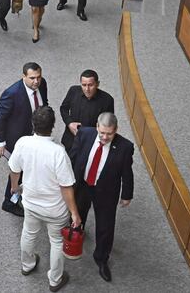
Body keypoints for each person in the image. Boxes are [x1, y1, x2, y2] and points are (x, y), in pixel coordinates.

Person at [9, 106, 80, 292]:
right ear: (53, 126)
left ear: (33, 125)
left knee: (28, 233)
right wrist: (74, 213)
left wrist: (14, 187)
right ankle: (55, 279)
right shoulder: (58, 152)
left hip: (31, 203)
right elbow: (66, 187)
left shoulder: (22, 142)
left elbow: (14, 169)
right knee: (56, 242)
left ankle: (27, 265)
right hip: (55, 210)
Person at [69, 113, 134, 283]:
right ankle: (76, 236)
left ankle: (101, 259)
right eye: (102, 132)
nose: (105, 137)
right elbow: (73, 157)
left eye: (109, 134)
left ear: (116, 130)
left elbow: (127, 173)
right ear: (97, 127)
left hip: (105, 192)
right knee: (77, 213)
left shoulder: (125, 147)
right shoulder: (84, 134)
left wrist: (127, 194)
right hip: (82, 185)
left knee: (105, 227)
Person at [0, 62, 48, 216]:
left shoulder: (42, 85)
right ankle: (9, 201)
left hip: (35, 135)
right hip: (17, 139)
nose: (36, 81)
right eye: (32, 78)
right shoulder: (12, 93)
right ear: (23, 76)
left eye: (38, 77)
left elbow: (44, 104)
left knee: (27, 168)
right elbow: (0, 117)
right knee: (18, 169)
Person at [59, 69, 115, 151]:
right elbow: (63, 108)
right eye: (84, 85)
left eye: (90, 85)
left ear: (97, 84)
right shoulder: (73, 91)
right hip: (71, 139)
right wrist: (69, 123)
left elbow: (108, 123)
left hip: (92, 142)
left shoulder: (107, 100)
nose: (87, 89)